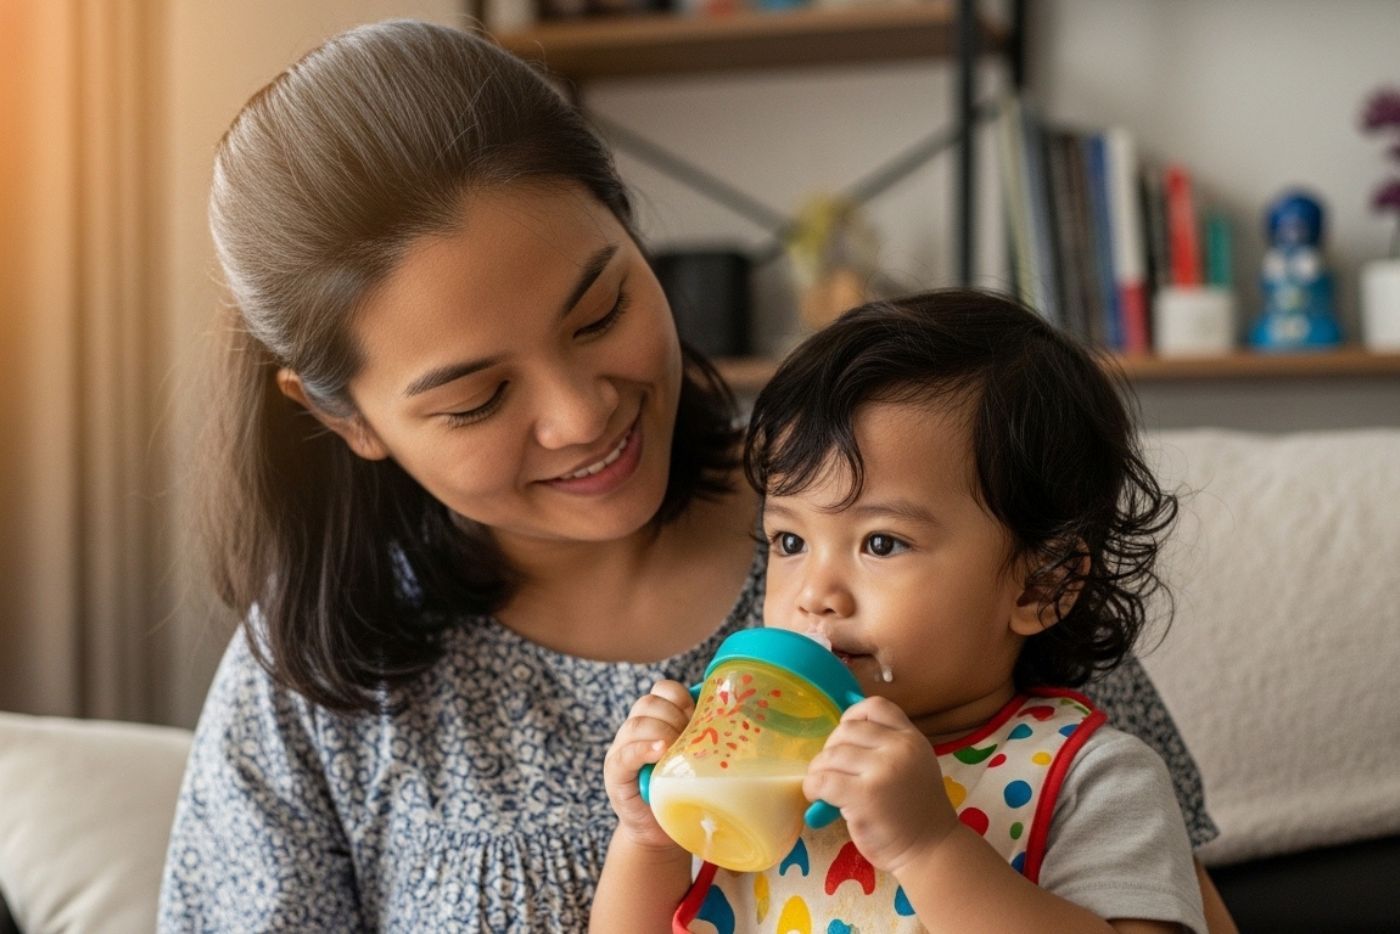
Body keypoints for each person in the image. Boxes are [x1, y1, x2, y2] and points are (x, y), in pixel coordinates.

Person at [157, 20, 1228, 932]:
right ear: (346, 419)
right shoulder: (312, 670)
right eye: (477, 399)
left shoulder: (934, 499)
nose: (583, 414)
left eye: (599, 311)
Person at [594, 291, 1208, 933]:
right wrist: (649, 841)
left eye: (881, 543)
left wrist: (929, 848)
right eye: (790, 542)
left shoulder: (1096, 778)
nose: (815, 593)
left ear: (1041, 586)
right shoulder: (751, 764)